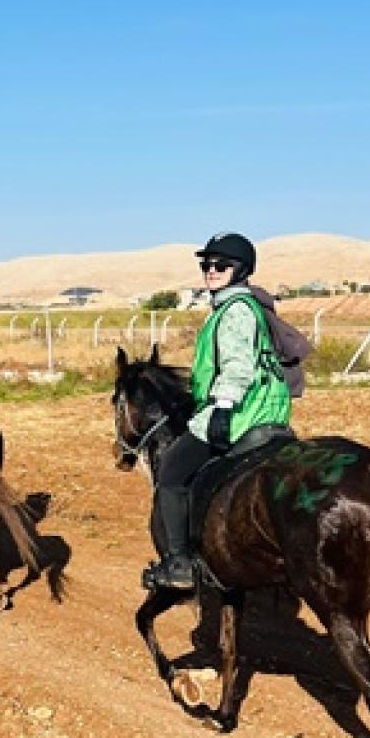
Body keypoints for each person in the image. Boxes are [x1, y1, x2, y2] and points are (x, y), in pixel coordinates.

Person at [142, 232, 293, 593]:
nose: (211, 270)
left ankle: (178, 562)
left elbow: (237, 366)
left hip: (242, 412)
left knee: (171, 473)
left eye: (221, 265)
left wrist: (222, 409)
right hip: (269, 412)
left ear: (241, 270)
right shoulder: (246, 306)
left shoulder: (235, 312)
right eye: (206, 264)